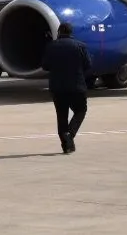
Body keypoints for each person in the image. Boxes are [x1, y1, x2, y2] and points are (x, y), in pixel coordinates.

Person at [40, 22, 93, 153]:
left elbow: (45, 66)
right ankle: (70, 134)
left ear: (59, 32)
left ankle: (67, 145)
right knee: (81, 110)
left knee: (62, 115)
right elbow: (88, 65)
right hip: (76, 86)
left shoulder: (51, 46)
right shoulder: (80, 46)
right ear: (71, 32)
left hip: (57, 87)